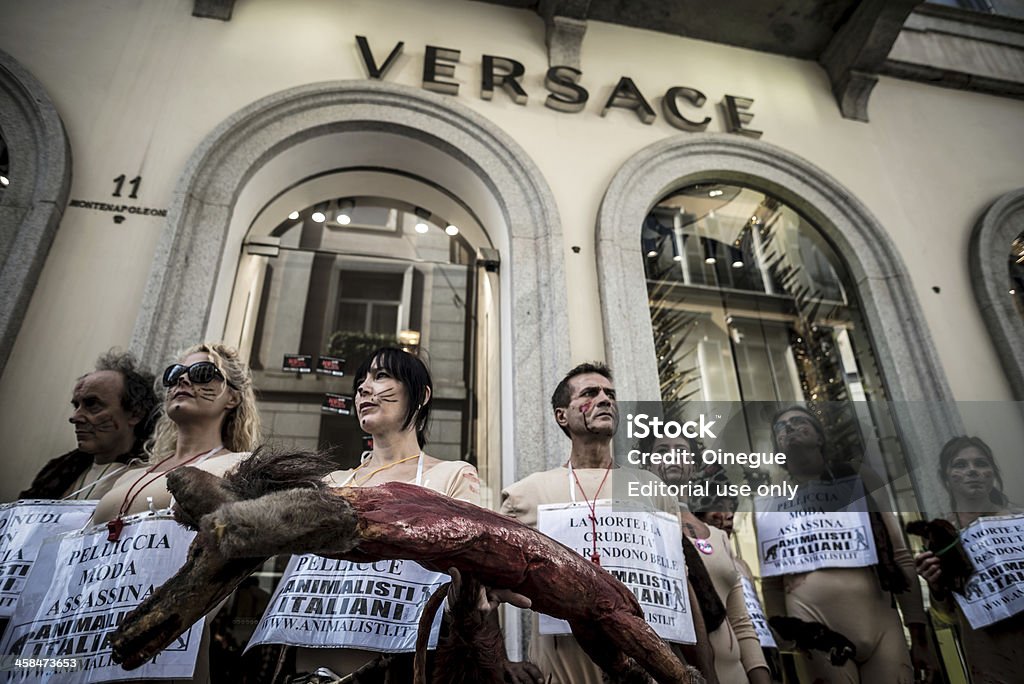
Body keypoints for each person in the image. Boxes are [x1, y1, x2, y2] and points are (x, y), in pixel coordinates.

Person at [292, 347, 486, 678]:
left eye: (381, 376)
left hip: (401, 671)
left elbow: (468, 580)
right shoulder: (331, 484)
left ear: (421, 395)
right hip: (309, 668)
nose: (364, 389)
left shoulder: (452, 477)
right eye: (360, 382)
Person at [500, 363, 687, 684]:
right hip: (562, 673)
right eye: (590, 393)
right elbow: (482, 583)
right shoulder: (526, 494)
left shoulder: (654, 490)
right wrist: (499, 659)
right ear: (562, 415)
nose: (605, 400)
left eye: (610, 394)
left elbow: (680, 588)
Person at [91, 342, 262, 684]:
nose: (184, 380)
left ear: (233, 397)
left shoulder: (238, 467)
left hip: (169, 643)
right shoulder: (126, 475)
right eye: (174, 374)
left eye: (202, 374)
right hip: (89, 634)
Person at [760, 406, 934, 684]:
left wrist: (919, 635)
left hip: (880, 621)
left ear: (819, 438)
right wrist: (788, 636)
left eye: (798, 422)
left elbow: (899, 555)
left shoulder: (861, 479)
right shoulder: (772, 501)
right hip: (813, 626)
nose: (789, 428)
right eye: (781, 427)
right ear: (777, 446)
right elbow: (772, 582)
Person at [643, 433, 771, 684]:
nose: (672, 456)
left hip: (735, 673)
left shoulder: (719, 537)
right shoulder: (644, 530)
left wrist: (760, 675)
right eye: (661, 451)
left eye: (681, 450)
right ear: (647, 466)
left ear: (694, 465)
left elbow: (741, 623)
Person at [914, 436, 1023, 684]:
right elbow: (947, 616)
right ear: (946, 478)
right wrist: (936, 587)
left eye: (981, 463)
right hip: (988, 652)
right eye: (960, 465)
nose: (972, 470)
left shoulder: (1021, 520)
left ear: (992, 473)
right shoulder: (941, 537)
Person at [19, 349, 159, 500]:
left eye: (92, 404)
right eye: (76, 405)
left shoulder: (152, 476)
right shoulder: (56, 472)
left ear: (135, 414)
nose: (75, 417)